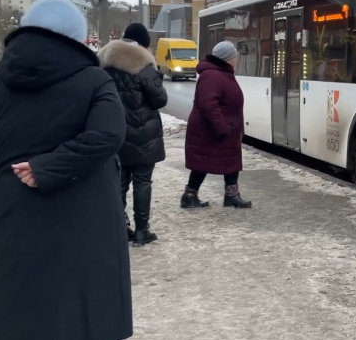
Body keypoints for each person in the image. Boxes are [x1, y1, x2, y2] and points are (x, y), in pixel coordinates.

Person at [0, 0, 132, 340]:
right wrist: (47, 167)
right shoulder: (94, 80)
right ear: (76, 39)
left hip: (9, 224)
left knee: (19, 323)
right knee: (79, 324)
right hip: (81, 228)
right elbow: (109, 134)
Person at [98, 23, 168, 246]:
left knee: (119, 184)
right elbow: (160, 99)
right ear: (143, 43)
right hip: (143, 135)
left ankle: (119, 227)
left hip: (114, 134)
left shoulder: (102, 63)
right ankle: (142, 230)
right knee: (142, 182)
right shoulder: (144, 64)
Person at [180, 41, 252, 209]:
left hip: (223, 128)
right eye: (235, 56)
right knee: (203, 162)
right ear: (227, 58)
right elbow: (208, 104)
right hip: (211, 130)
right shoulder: (212, 75)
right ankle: (189, 196)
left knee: (229, 160)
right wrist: (222, 127)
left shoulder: (221, 73)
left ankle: (231, 195)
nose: (237, 59)